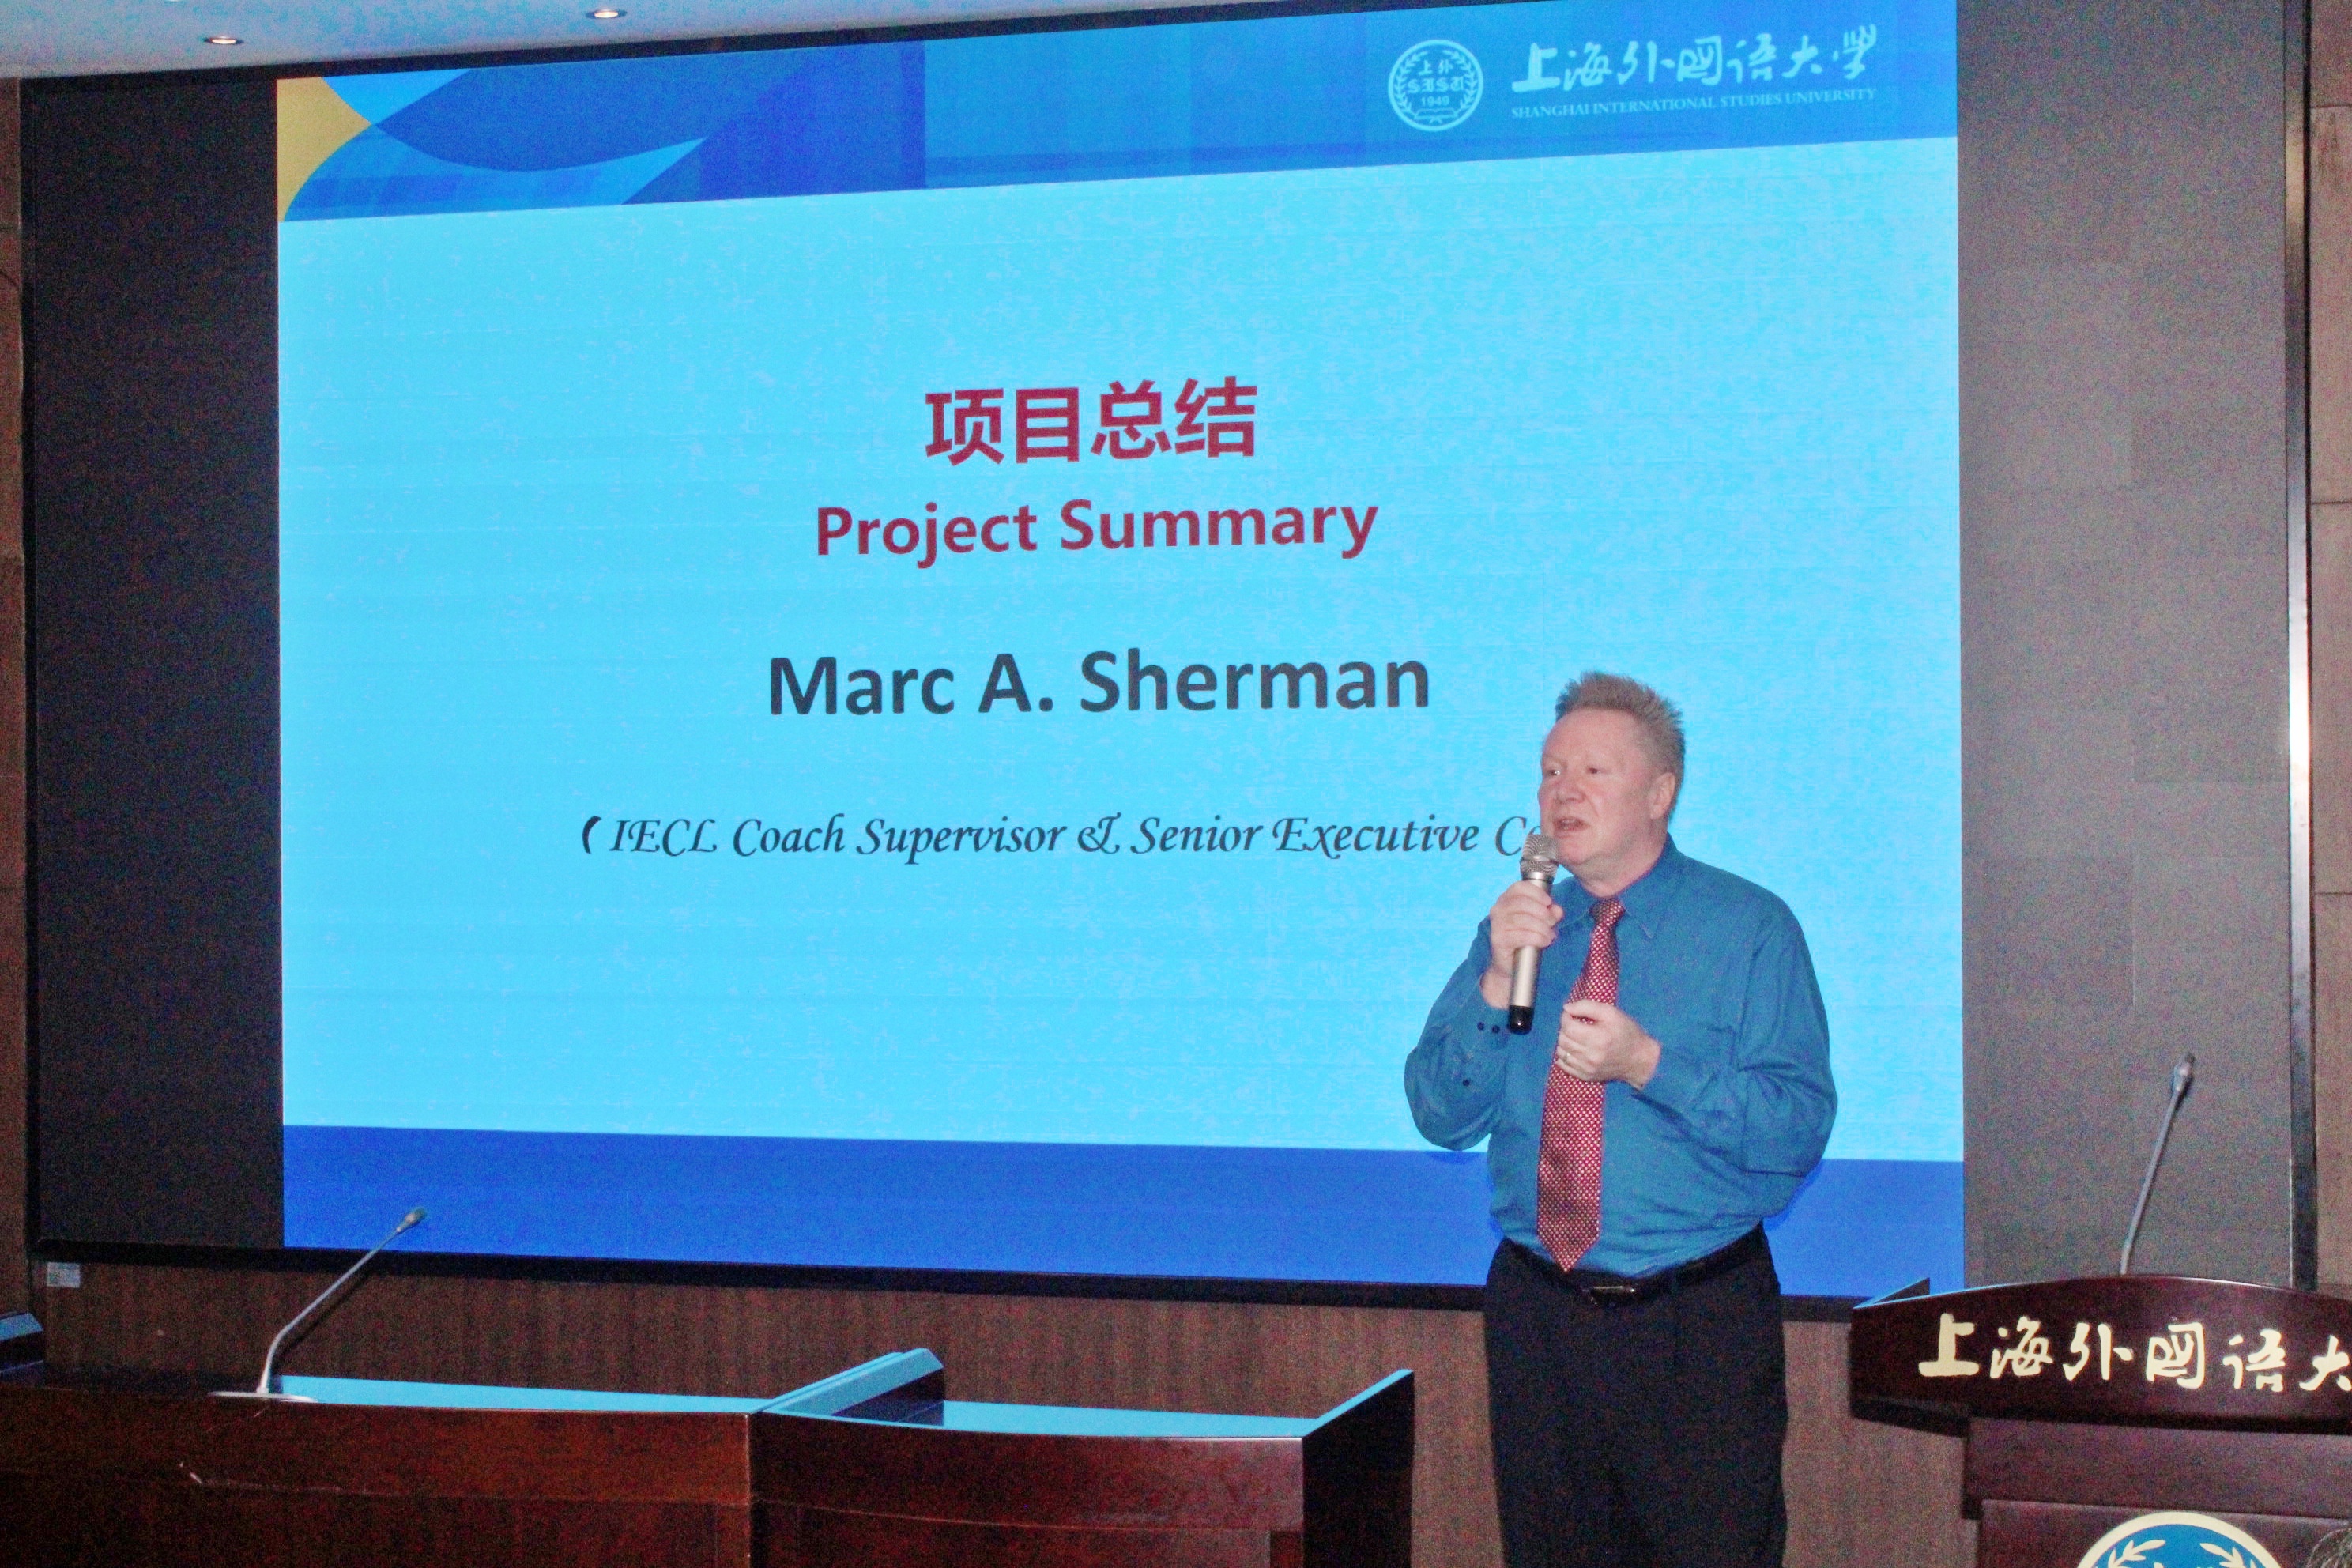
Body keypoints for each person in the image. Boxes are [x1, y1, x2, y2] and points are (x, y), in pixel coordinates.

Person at [1405, 672, 1836, 1568]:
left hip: (1694, 1324)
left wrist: (1649, 1065)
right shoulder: (1520, 932)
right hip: (1538, 1318)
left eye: (1592, 771)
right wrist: (1497, 977)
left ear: (1660, 792)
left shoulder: (1749, 927)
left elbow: (1795, 1128)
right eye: (1550, 771)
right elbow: (1439, 1113)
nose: (1562, 792)